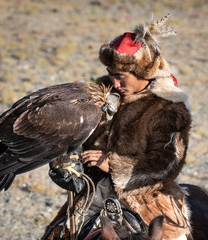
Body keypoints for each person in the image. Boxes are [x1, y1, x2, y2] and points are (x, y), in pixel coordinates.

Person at [43, 14, 192, 240]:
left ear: (143, 73)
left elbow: (166, 165)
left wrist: (112, 165)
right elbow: (78, 137)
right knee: (56, 235)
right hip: (94, 192)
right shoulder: (100, 92)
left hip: (149, 198)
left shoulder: (168, 107)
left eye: (121, 77)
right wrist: (66, 163)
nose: (114, 83)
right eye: (111, 75)